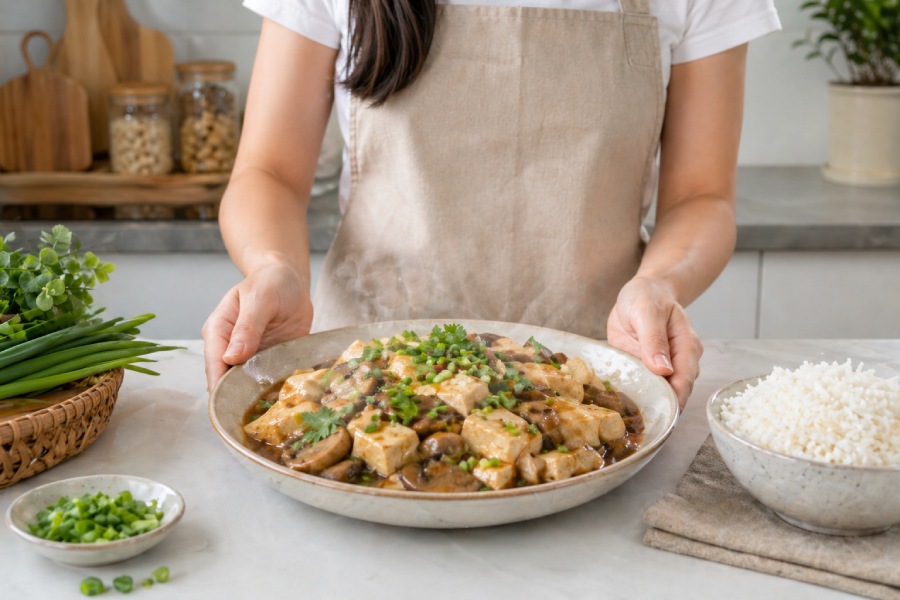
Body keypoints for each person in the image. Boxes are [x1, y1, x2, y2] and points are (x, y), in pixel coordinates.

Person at [202, 0, 781, 408]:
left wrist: (662, 283)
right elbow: (269, 172)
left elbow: (701, 196)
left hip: (596, 377)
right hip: (361, 373)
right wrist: (274, 268)